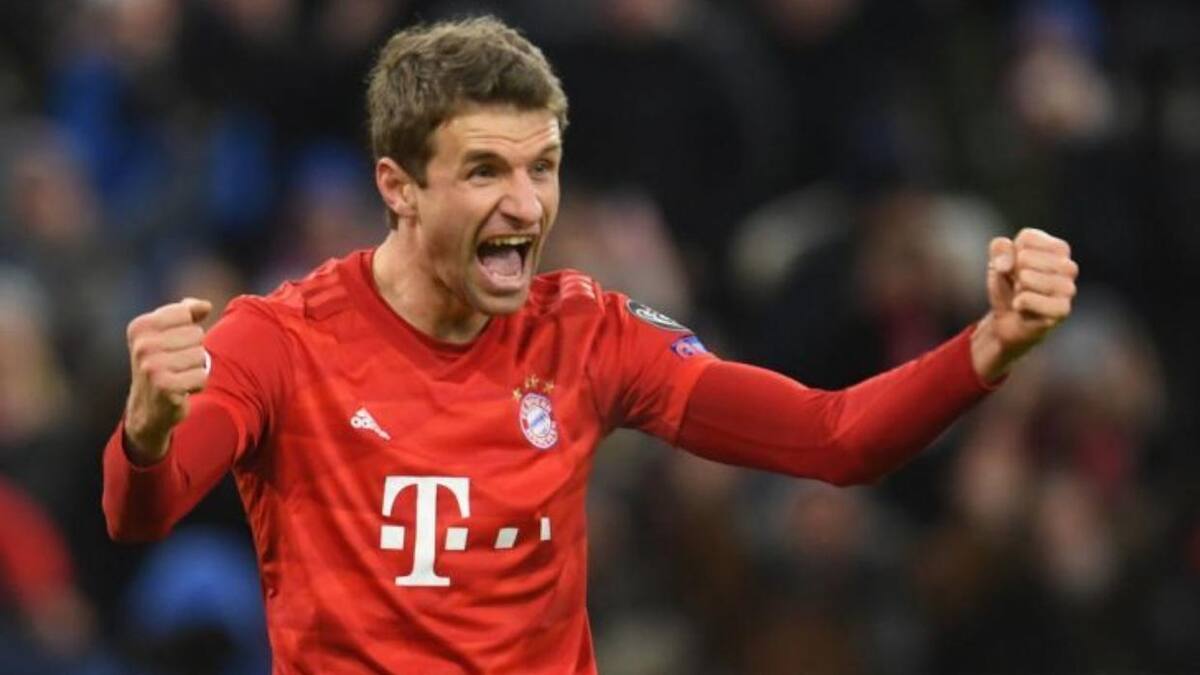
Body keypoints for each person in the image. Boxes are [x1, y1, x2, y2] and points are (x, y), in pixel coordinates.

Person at [101, 16, 1079, 674]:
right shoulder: (279, 339)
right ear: (399, 187)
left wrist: (989, 346)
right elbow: (141, 512)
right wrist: (145, 430)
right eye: (485, 171)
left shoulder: (590, 334)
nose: (526, 205)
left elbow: (834, 439)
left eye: (543, 167)